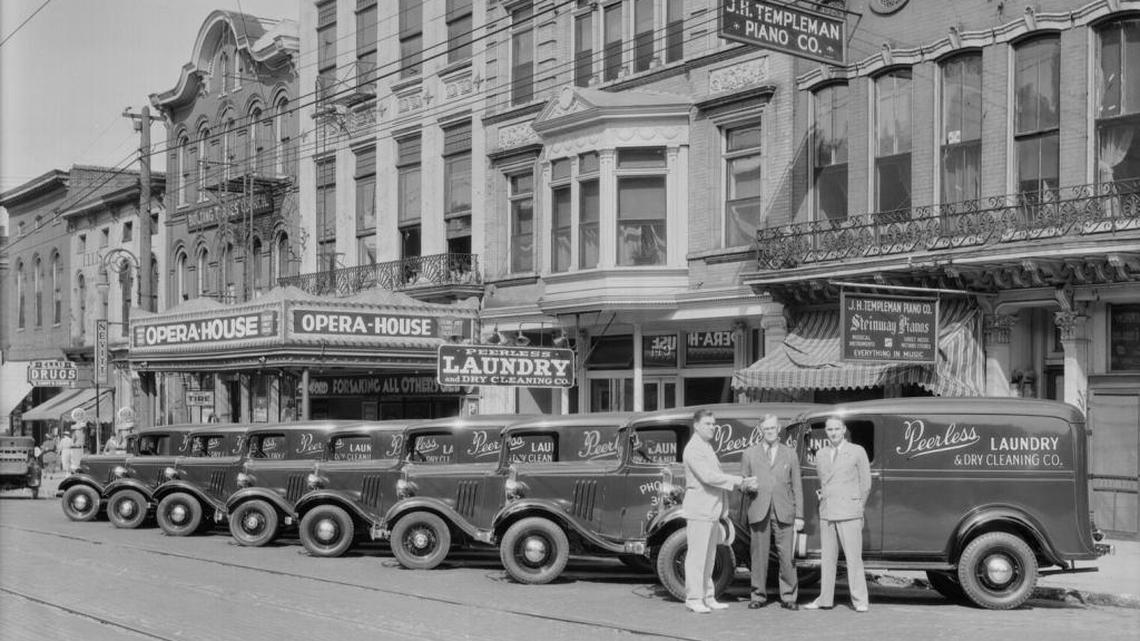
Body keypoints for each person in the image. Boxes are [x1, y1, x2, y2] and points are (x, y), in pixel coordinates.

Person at [681, 409, 752, 614]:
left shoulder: (705, 446)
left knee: (710, 556)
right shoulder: (694, 448)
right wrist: (738, 481)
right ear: (696, 426)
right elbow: (708, 477)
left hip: (710, 510)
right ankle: (694, 598)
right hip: (700, 510)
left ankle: (708, 596)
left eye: (713, 424)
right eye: (707, 424)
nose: (712, 427)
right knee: (697, 557)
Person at [804, 417, 872, 613]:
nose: (833, 432)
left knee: (853, 558)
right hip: (828, 511)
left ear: (844, 430)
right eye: (829, 429)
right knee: (827, 559)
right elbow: (823, 482)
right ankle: (825, 599)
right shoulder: (822, 454)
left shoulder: (857, 451)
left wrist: (858, 508)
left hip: (849, 512)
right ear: (826, 432)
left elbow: (865, 484)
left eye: (836, 429)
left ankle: (860, 600)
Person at [740, 415, 803, 611]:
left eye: (773, 428)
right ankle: (758, 595)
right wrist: (747, 486)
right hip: (759, 510)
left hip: (784, 511)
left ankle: (789, 597)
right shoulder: (749, 454)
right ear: (760, 429)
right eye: (766, 428)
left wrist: (799, 515)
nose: (769, 431)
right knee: (758, 556)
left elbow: (797, 487)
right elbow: (742, 483)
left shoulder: (790, 453)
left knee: (787, 557)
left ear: (779, 428)